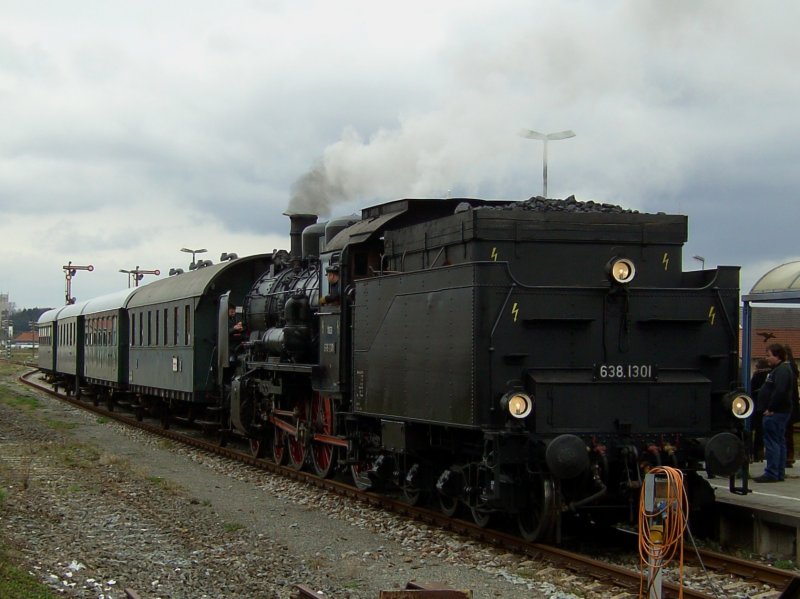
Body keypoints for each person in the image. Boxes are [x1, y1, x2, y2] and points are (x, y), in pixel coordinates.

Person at [753, 343, 794, 482]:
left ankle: (771, 472)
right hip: (780, 411)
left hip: (775, 413)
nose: (767, 358)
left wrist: (771, 408)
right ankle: (779, 472)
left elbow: (780, 391)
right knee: (779, 441)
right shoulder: (780, 370)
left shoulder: (781, 371)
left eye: (769, 355)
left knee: (772, 442)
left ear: (777, 356)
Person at [750, 358, 771, 462]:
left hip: (756, 406)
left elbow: (751, 389)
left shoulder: (757, 376)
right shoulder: (770, 375)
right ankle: (760, 454)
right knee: (761, 432)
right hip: (766, 406)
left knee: (752, 431)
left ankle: (752, 453)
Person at [784, 345, 800, 468]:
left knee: (784, 433)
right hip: (793, 406)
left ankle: (787, 457)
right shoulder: (793, 369)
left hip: (786, 406)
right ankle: (790, 456)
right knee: (788, 433)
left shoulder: (785, 370)